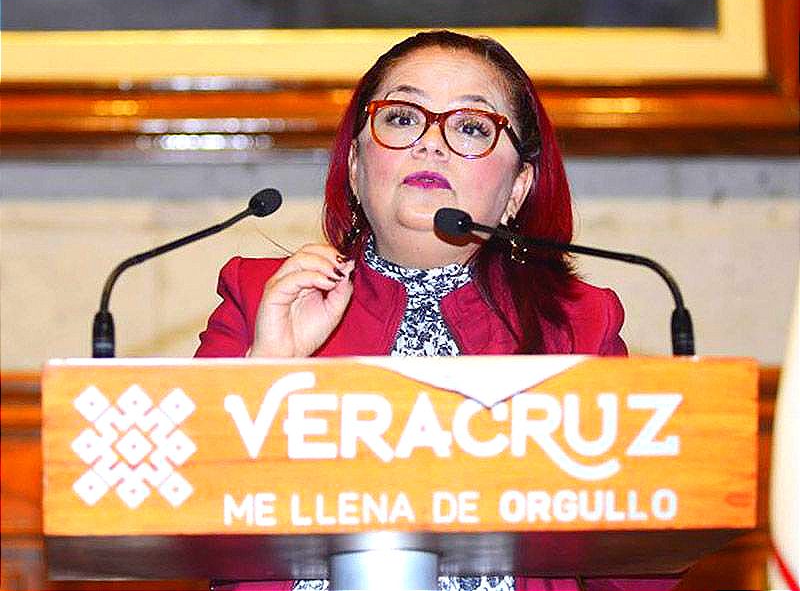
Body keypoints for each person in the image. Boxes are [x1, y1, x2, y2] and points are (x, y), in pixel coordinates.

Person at [198, 30, 674, 591]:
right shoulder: (260, 297)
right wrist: (265, 372)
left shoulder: (579, 327)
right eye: (402, 118)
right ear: (355, 165)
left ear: (518, 187)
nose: (430, 144)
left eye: (471, 126)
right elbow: (183, 520)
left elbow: (639, 569)